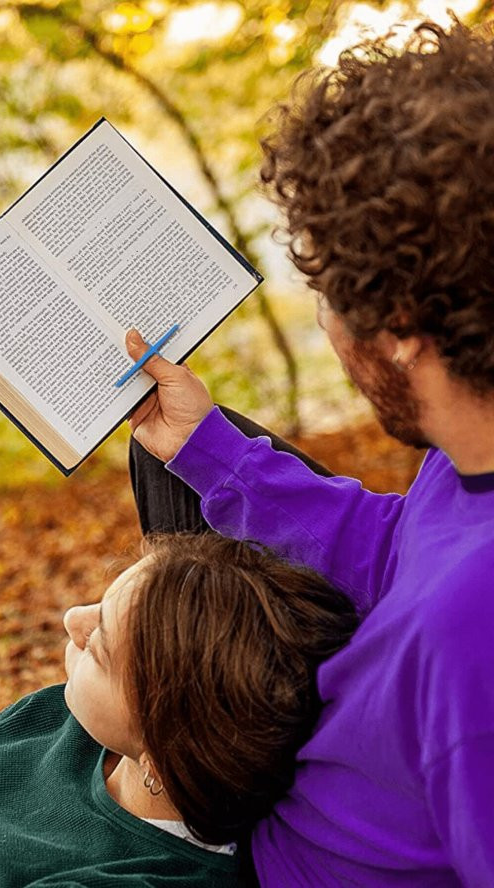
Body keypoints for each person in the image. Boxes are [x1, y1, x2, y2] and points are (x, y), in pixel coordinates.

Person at [125, 16, 494, 888]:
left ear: (399, 326)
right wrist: (207, 450)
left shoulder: (466, 642)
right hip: (329, 748)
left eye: (325, 291)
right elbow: (400, 549)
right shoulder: (465, 455)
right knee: (164, 467)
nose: (324, 322)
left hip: (272, 864)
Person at [0, 533, 357, 887]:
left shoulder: (131, 877)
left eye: (99, 648)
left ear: (161, 755)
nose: (72, 619)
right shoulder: (58, 718)